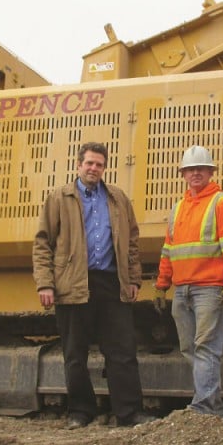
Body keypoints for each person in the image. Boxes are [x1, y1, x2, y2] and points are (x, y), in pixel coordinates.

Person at [33, 141, 155, 429]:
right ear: (78, 165)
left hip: (111, 283)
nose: (93, 168)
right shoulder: (58, 199)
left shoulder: (118, 199)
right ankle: (80, 412)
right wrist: (45, 284)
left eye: (99, 164)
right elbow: (42, 244)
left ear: (104, 167)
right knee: (75, 354)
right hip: (73, 284)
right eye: (89, 163)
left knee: (123, 352)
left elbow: (132, 242)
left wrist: (134, 278)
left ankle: (128, 413)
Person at [153, 145, 223, 416]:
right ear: (183, 173)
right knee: (189, 348)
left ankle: (203, 408)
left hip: (209, 289)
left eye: (200, 169)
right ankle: (211, 405)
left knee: (206, 348)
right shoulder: (178, 208)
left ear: (210, 172)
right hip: (182, 290)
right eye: (190, 169)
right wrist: (161, 285)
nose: (195, 173)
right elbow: (169, 249)